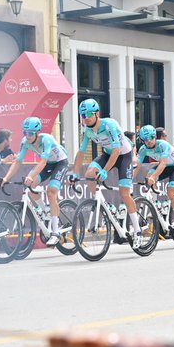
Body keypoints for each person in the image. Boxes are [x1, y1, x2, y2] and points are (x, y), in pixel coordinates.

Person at [71, 99, 141, 246]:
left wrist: (104, 171)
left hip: (124, 156)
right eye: (83, 115)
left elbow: (117, 150)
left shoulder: (109, 125)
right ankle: (107, 206)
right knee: (89, 174)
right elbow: (81, 152)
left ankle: (137, 230)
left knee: (124, 194)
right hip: (108, 154)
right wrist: (75, 173)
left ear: (97, 113)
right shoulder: (87, 130)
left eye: (89, 114)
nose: (86, 117)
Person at [0, 116, 70, 246]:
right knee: (30, 187)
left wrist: (31, 176)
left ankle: (55, 232)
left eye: (30, 133)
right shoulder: (25, 142)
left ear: (37, 132)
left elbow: (42, 161)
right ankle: (45, 210)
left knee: (51, 192)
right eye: (25, 133)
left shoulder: (46, 140)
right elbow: (17, 162)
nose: (28, 136)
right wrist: (6, 178)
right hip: (47, 164)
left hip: (60, 163)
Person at [134, 125, 174, 233]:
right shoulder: (143, 149)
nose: (149, 141)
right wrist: (130, 179)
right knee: (149, 176)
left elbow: (162, 163)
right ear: (142, 140)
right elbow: (137, 166)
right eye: (146, 139)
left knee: (171, 192)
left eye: (152, 137)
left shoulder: (162, 145)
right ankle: (156, 203)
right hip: (166, 166)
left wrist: (153, 177)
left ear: (155, 136)